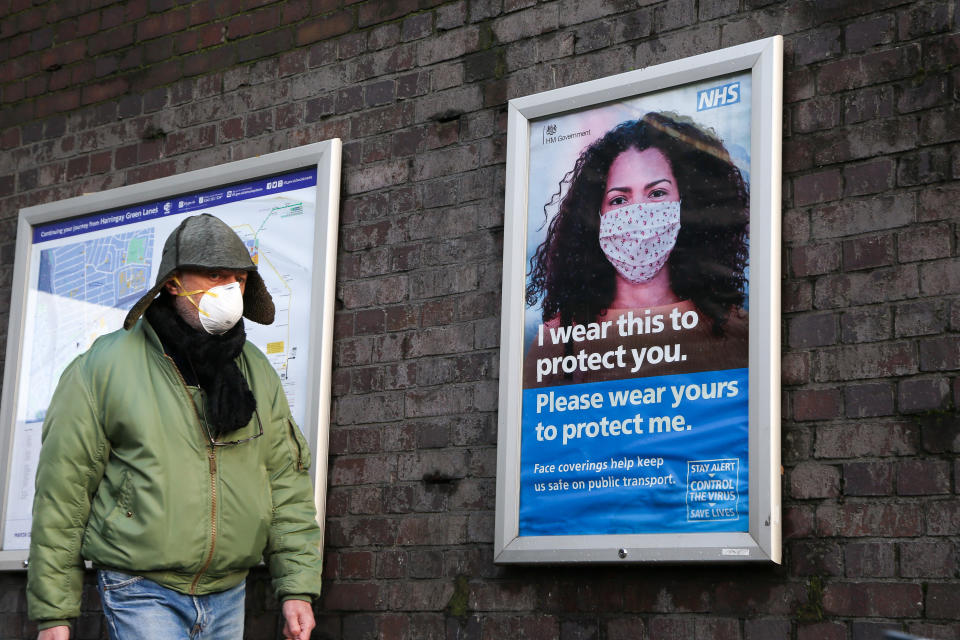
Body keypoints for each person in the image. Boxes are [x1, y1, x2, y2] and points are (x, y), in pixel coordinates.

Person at [27, 214, 322, 640]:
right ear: (172, 282)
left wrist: (296, 587)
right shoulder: (103, 367)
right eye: (214, 275)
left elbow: (284, 484)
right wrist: (54, 614)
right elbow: (63, 492)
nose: (229, 290)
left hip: (229, 590)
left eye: (238, 279)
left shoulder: (255, 370)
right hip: (140, 586)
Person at [524, 112, 750, 387]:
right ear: (597, 215)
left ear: (686, 202)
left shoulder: (732, 329)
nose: (638, 215)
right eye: (619, 200)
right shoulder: (560, 340)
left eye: (657, 193)